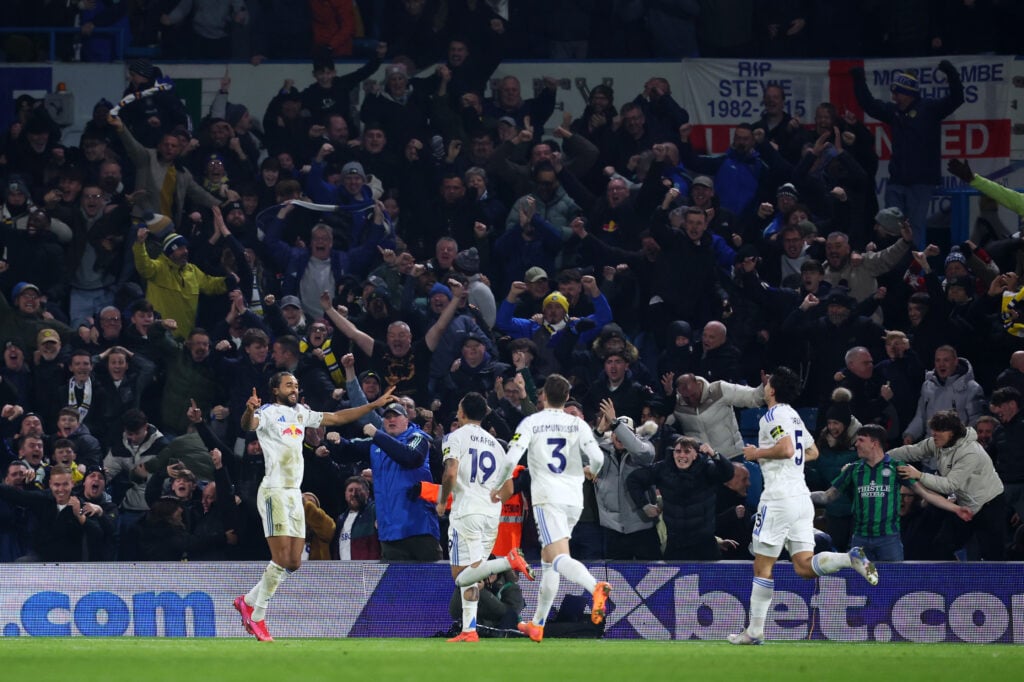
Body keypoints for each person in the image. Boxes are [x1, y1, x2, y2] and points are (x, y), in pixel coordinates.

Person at [233, 372, 395, 642]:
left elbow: (338, 418)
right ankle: (257, 615)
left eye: (296, 385)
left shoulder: (301, 413)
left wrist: (373, 405)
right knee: (280, 558)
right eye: (288, 385)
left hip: (294, 494)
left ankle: (247, 600)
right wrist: (249, 410)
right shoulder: (268, 412)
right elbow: (249, 424)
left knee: (294, 562)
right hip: (274, 492)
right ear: (275, 390)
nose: (294, 389)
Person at [729, 367, 878, 646]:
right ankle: (849, 558)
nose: (765, 386)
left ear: (772, 390)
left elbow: (787, 449)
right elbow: (812, 451)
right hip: (801, 498)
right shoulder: (794, 415)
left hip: (778, 499)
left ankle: (755, 631)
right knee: (804, 567)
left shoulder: (773, 416)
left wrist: (757, 453)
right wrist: (787, 459)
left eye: (768, 383)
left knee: (762, 566)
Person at [504, 374, 609, 643]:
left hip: (547, 498)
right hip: (574, 499)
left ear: (543, 396)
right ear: (566, 397)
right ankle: (537, 624)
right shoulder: (577, 423)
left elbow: (511, 457)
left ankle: (595, 587)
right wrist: (591, 470)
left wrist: (499, 483)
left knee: (559, 556)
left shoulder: (532, 422)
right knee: (548, 559)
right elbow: (598, 458)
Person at [436, 392, 534, 643]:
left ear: (461, 412)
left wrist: (442, 501)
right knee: (475, 573)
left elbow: (450, 473)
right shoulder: (496, 445)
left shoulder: (455, 437)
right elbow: (509, 488)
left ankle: (508, 561)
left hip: (466, 513)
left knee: (461, 576)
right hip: (491, 517)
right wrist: (493, 498)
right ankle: (469, 629)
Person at [810, 424, 973, 562]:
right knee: (861, 583)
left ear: (874, 443)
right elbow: (827, 496)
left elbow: (925, 494)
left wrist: (956, 509)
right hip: (860, 540)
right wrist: (801, 496)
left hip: (888, 541)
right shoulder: (853, 469)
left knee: (893, 583)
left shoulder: (897, 468)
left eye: (861, 440)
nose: (856, 444)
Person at [890, 410, 1006, 561]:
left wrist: (919, 475)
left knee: (993, 556)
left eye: (939, 431)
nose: (934, 434)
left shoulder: (970, 452)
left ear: (952, 433)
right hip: (965, 505)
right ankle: (953, 575)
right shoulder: (937, 442)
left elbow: (949, 485)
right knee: (941, 546)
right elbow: (913, 451)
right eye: (934, 430)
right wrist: (882, 456)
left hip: (989, 505)